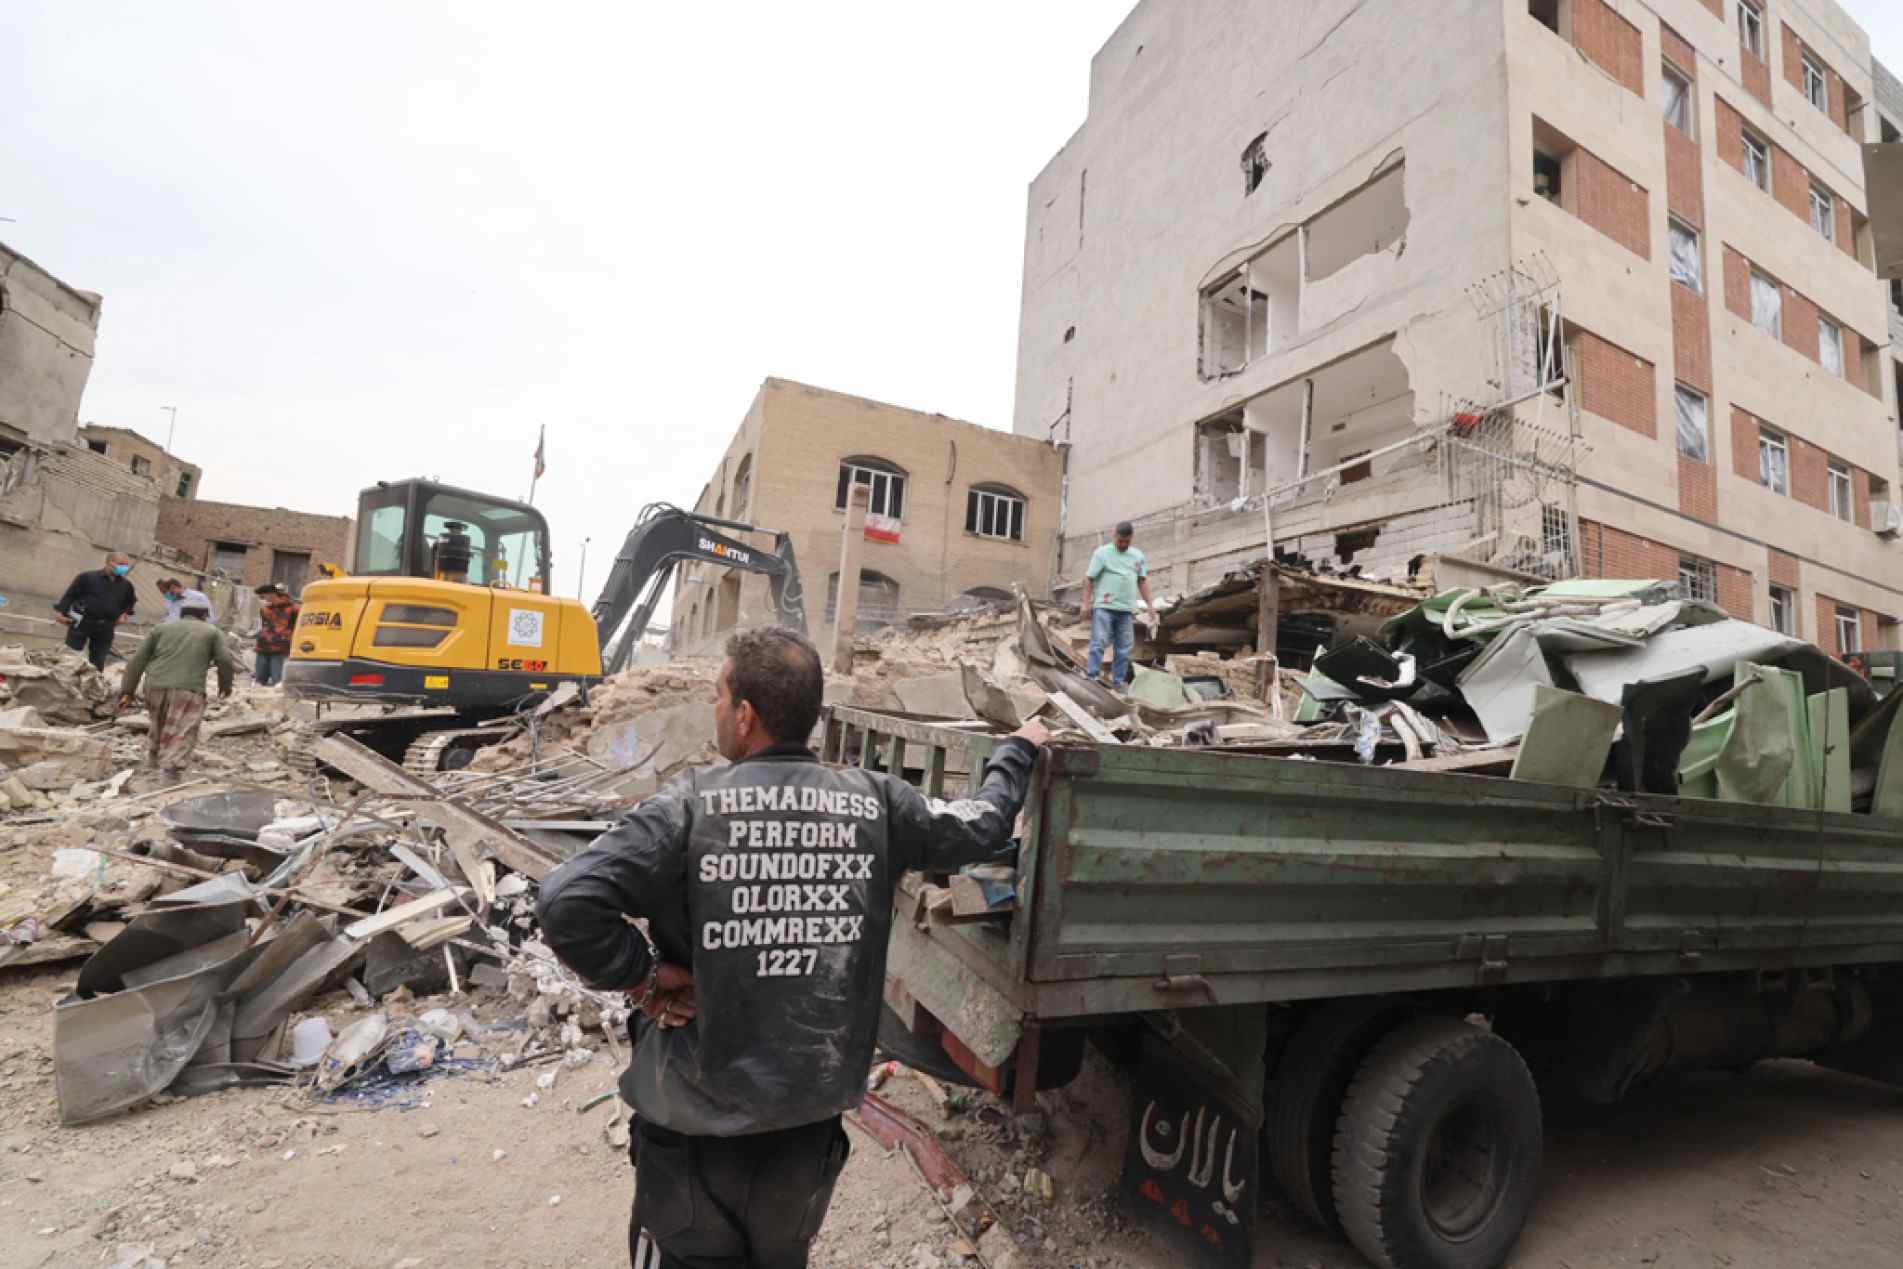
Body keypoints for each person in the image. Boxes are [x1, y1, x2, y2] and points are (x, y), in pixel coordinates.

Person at [538, 627, 1049, 1269]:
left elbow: (566, 903)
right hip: (805, 1136)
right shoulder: (877, 803)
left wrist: (641, 977)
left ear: (746, 715)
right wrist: (1017, 753)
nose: (717, 712)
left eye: (720, 698)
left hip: (693, 1135)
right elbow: (983, 825)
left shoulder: (688, 808)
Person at [117, 603, 236, 777]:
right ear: (204, 616)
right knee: (183, 728)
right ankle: (171, 768)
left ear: (182, 615)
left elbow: (137, 660)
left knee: (158, 723)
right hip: (188, 688)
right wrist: (225, 685)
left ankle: (152, 761)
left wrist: (127, 690)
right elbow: (224, 659)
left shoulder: (160, 629)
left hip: (154, 686)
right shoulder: (211, 631)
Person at [1083, 520, 1154, 688]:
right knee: (1099, 642)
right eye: (1120, 540)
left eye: (1126, 541)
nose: (1123, 544)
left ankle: (1118, 681)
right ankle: (1091, 676)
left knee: (1124, 648)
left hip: (1126, 610)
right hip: (1104, 607)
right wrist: (1085, 603)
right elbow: (1088, 579)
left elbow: (1142, 581)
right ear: (1114, 536)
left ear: (1131, 539)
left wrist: (1150, 604)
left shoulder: (1138, 556)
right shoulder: (1102, 553)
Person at [53, 552, 138, 671]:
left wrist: (124, 615)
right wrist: (61, 613)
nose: (124, 567)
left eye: (126, 565)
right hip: (81, 621)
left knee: (98, 660)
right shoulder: (87, 578)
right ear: (109, 563)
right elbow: (70, 595)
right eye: (121, 564)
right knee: (70, 657)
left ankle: (92, 684)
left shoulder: (126, 585)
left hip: (106, 626)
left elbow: (130, 602)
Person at [254, 584, 300, 686]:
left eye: (263, 596)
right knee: (259, 682)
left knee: (278, 682)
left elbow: (299, 628)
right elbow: (264, 626)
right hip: (263, 647)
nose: (262, 599)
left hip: (280, 649)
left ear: (271, 595)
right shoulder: (265, 610)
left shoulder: (294, 609)